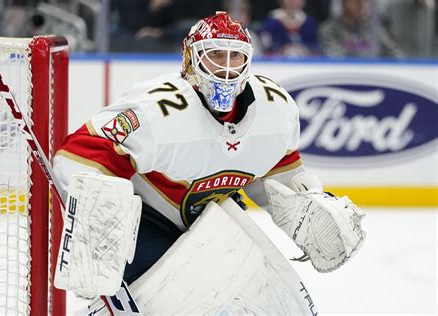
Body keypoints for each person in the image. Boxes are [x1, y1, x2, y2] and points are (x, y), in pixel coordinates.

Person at [53, 11, 365, 312]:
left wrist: (306, 205)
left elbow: (277, 174)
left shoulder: (275, 109)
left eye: (236, 57)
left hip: (214, 225)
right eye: (215, 55)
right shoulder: (157, 111)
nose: (227, 67)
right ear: (191, 59)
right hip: (147, 225)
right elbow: (77, 155)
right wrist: (97, 225)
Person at [319, 0, 403, 57]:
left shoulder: (374, 28)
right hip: (344, 78)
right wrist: (361, 48)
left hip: (374, 76)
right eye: (357, 2)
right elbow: (335, 56)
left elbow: (395, 54)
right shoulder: (328, 29)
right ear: (343, 3)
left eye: (364, 2)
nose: (362, 5)